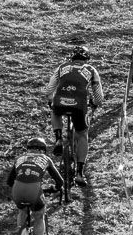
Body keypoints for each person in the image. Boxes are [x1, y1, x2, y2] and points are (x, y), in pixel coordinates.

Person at [42, 45, 105, 186]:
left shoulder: (62, 67)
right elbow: (99, 98)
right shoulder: (91, 70)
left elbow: (49, 89)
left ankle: (58, 138)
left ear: (72, 58)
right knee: (82, 134)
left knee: (55, 110)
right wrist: (94, 103)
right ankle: (79, 173)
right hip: (79, 105)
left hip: (60, 101)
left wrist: (50, 100)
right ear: (87, 59)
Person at [6, 137, 64, 235]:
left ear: (28, 149)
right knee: (39, 215)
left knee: (22, 211)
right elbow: (60, 181)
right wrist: (55, 188)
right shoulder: (46, 159)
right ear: (43, 150)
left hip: (17, 190)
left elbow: (9, 181)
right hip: (34, 191)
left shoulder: (19, 159)